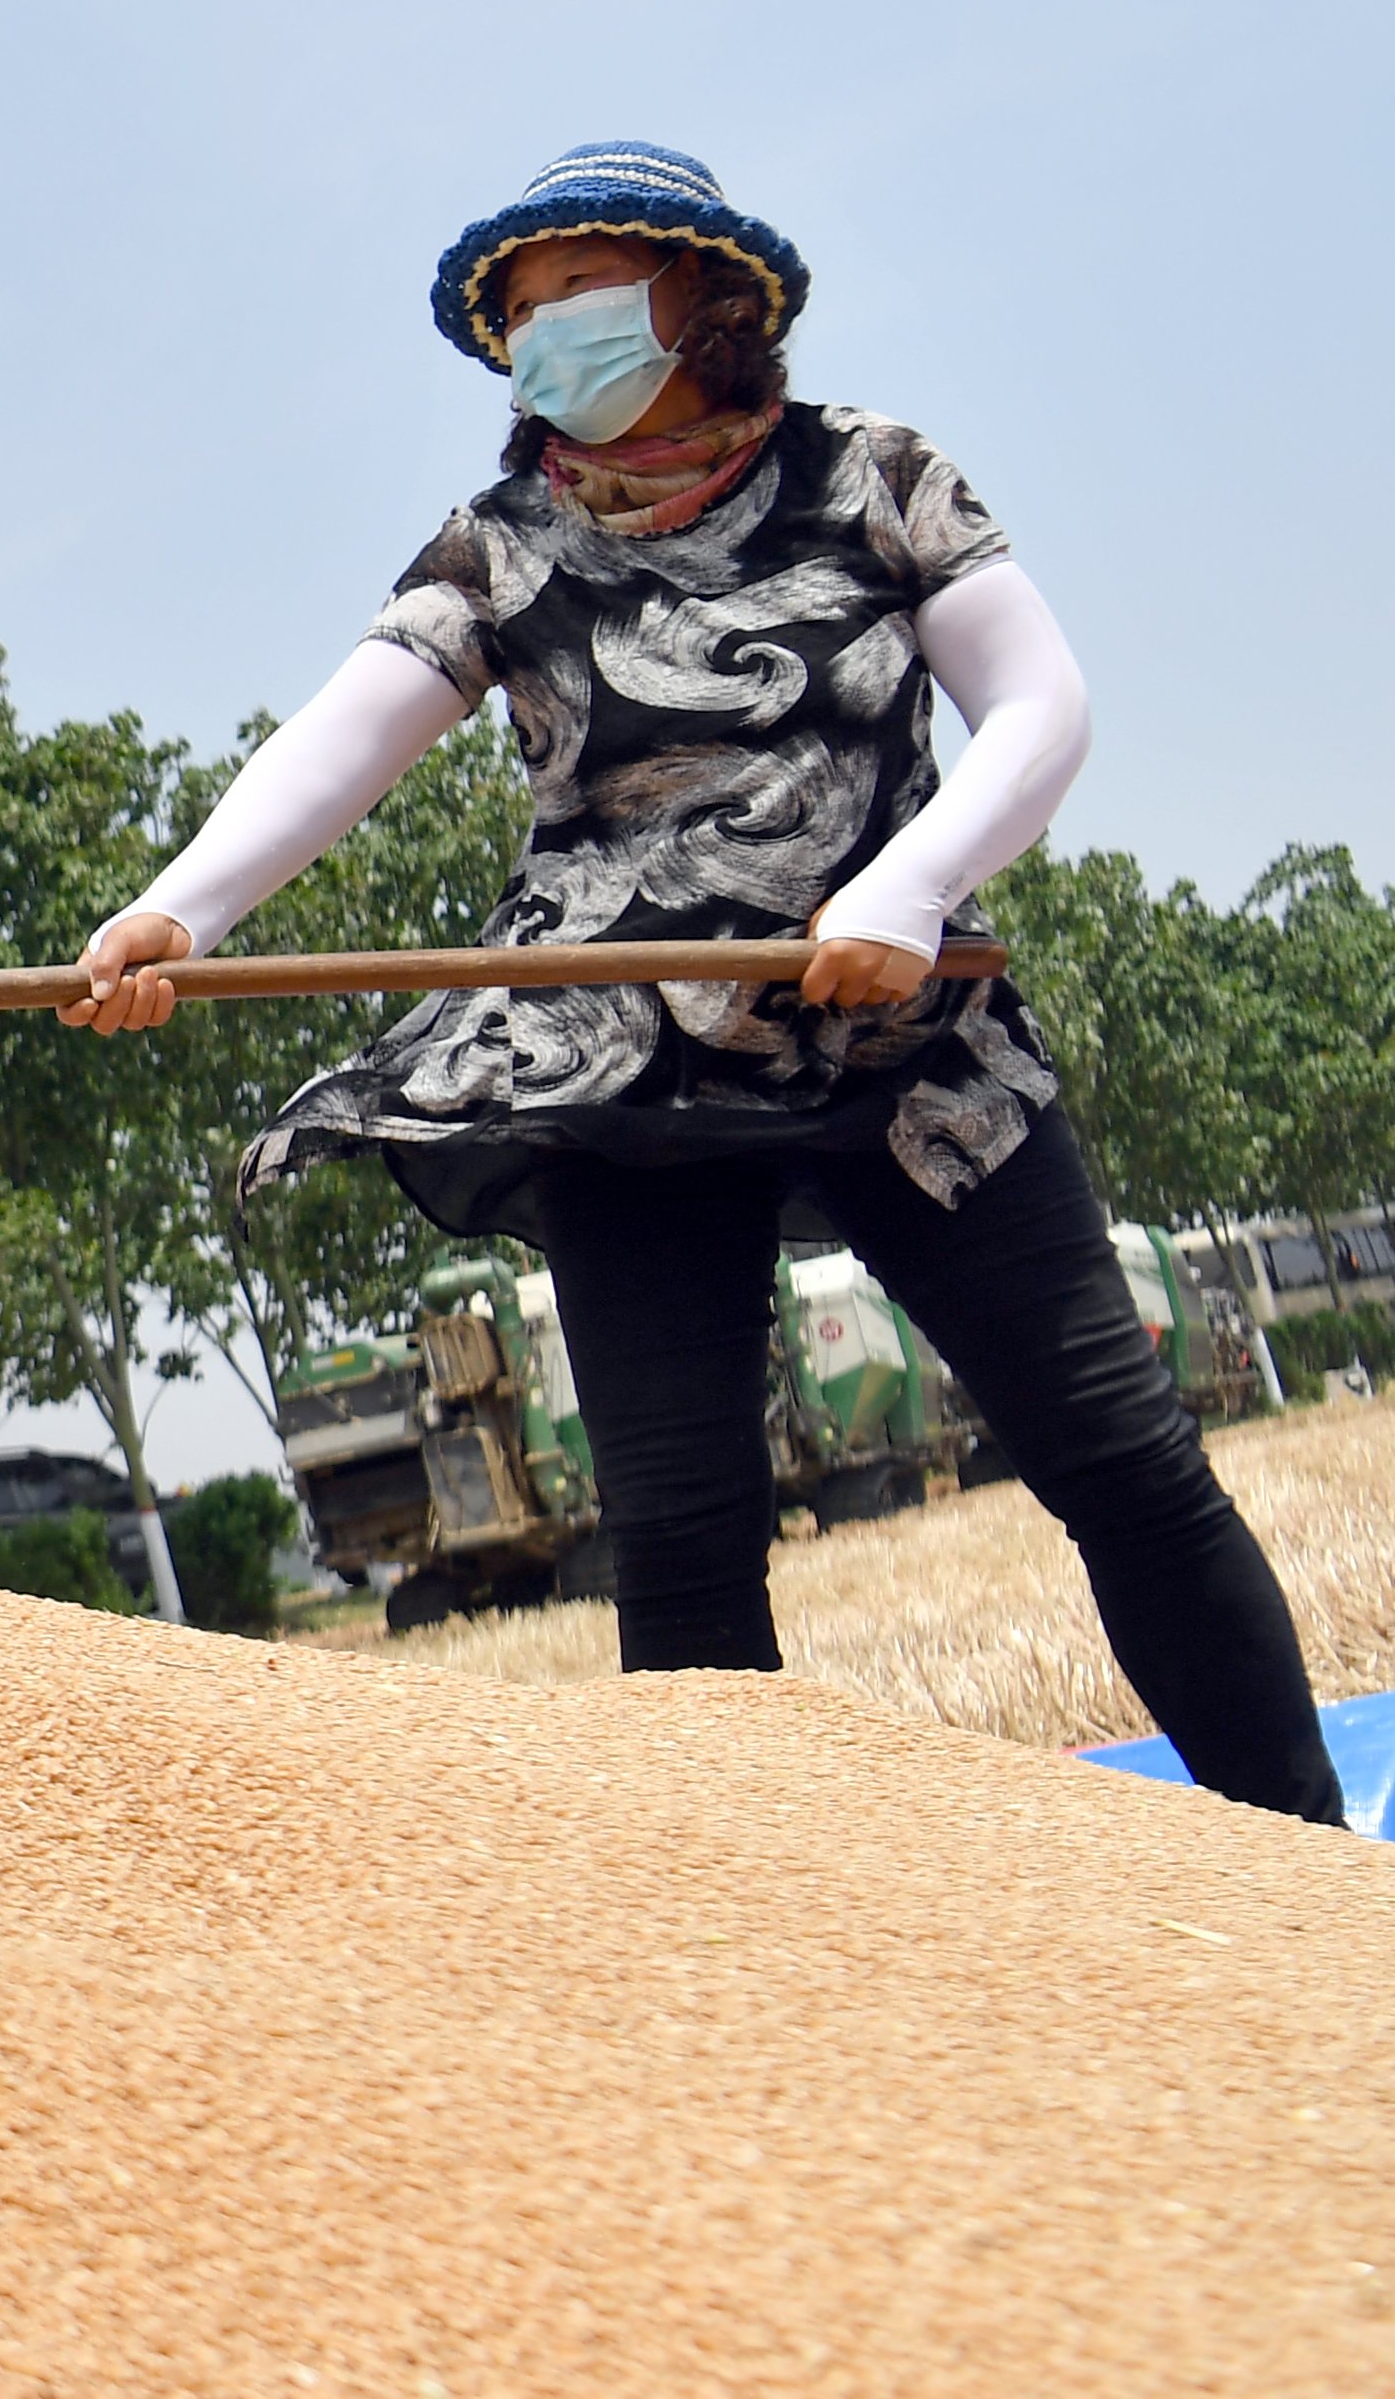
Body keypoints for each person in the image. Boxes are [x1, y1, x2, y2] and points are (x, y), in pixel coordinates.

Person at [71, 140, 1342, 1824]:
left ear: (701, 296)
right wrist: (181, 908)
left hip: (909, 1039)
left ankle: (1307, 1858)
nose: (538, 338)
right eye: (513, 316)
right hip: (619, 1067)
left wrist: (906, 881)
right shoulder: (497, 546)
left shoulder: (872, 477)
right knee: (675, 1537)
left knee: (1122, 1462)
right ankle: (742, 1951)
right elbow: (342, 738)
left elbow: (1038, 708)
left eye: (569, 296)